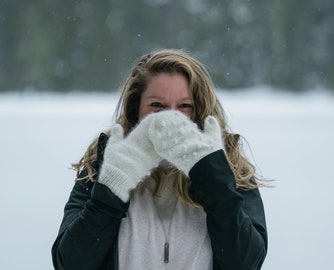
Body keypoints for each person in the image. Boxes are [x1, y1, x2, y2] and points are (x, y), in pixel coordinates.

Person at [51, 49, 268, 270]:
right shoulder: (102, 164)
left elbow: (245, 264)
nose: (170, 118)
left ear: (200, 111)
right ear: (136, 109)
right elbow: (69, 264)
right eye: (157, 106)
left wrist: (212, 178)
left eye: (184, 106)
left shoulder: (229, 166)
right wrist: (112, 189)